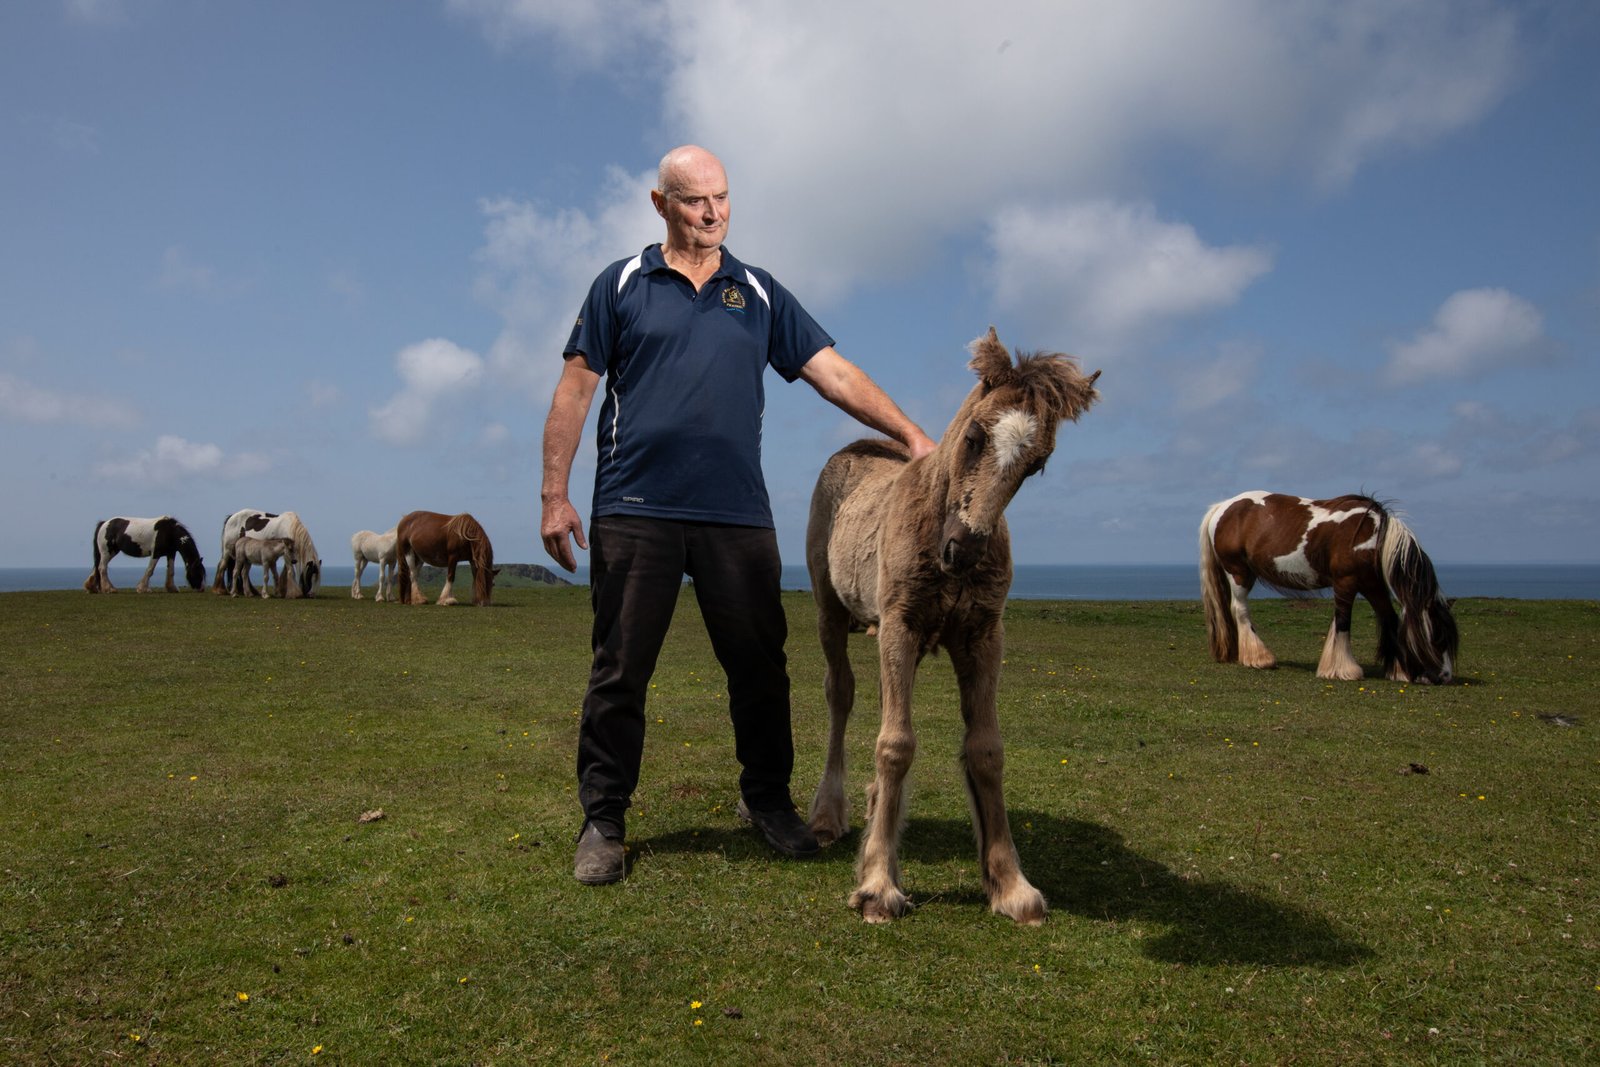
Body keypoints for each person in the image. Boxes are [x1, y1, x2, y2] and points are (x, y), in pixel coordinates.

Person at [541, 145, 938, 886]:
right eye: (695, 201)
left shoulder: (755, 291)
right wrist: (554, 493)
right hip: (635, 508)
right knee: (621, 669)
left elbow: (832, 371)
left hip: (736, 514)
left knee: (761, 668)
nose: (713, 212)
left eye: (722, 197)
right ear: (661, 204)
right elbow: (575, 388)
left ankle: (769, 803)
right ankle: (604, 820)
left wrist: (913, 436)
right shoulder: (621, 285)